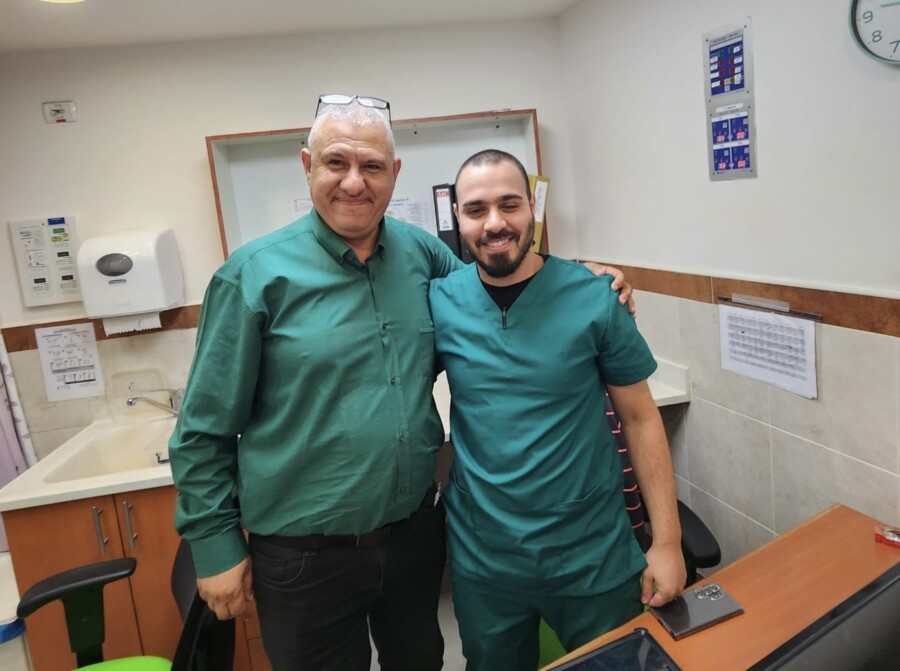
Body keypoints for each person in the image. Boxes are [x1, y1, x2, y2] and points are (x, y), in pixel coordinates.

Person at [169, 95, 632, 671]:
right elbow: (202, 430)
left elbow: (500, 291)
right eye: (336, 163)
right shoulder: (252, 276)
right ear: (307, 165)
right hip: (304, 557)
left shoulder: (422, 254)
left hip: (412, 538)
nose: (354, 182)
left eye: (372, 166)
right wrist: (214, 543)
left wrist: (582, 280)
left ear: (395, 173)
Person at [428, 149, 686, 671]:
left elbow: (640, 418)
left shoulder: (595, 296)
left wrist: (668, 542)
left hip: (591, 553)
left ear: (533, 206)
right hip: (486, 561)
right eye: (476, 209)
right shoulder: (439, 300)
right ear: (457, 217)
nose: (494, 223)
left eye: (509, 204)